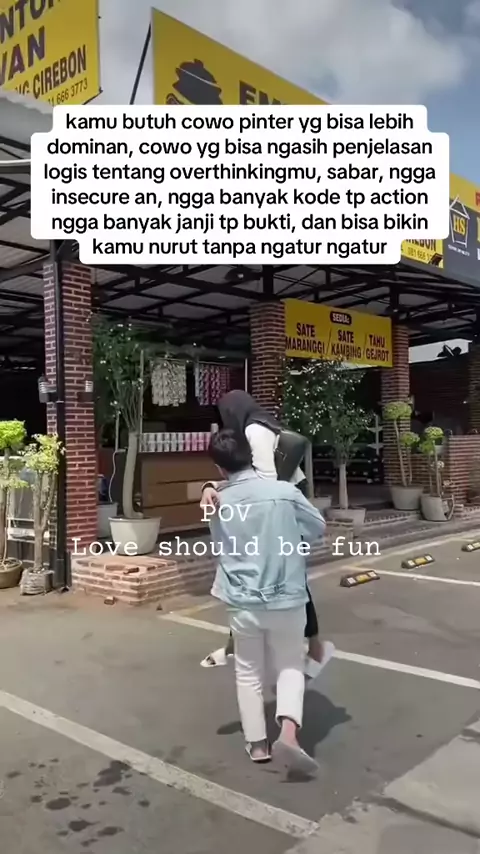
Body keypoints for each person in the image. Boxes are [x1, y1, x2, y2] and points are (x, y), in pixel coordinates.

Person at [207, 428, 325, 772]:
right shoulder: (285, 492)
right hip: (287, 596)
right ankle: (288, 734)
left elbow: (219, 544)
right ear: (252, 456)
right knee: (290, 665)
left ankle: (257, 744)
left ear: (220, 468)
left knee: (248, 671)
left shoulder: (218, 502)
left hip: (242, 599)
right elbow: (317, 527)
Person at [200, 390, 334, 676]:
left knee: (282, 575)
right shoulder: (257, 427)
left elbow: (265, 480)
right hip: (271, 503)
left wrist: (217, 486)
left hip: (275, 505)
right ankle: (238, 646)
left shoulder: (254, 431)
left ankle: (314, 646)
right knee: (258, 574)